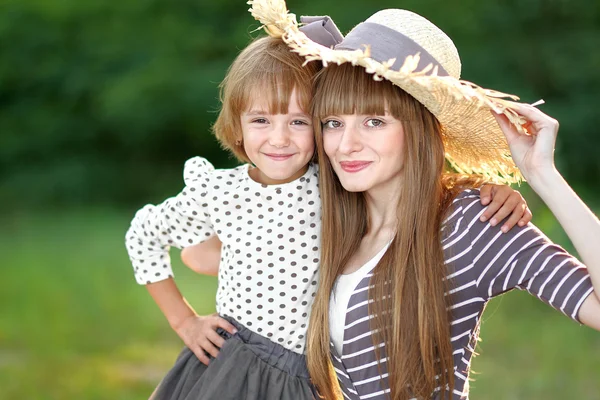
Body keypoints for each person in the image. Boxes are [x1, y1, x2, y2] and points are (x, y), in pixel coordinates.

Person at [126, 12, 533, 400]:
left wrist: (482, 188)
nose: (280, 138)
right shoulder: (218, 190)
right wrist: (184, 320)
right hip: (232, 366)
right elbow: (147, 235)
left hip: (305, 377)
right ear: (237, 124)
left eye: (299, 121)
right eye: (261, 121)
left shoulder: (337, 184)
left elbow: (407, 181)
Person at [247, 2, 600, 400]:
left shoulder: (471, 224)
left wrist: (543, 176)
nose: (346, 145)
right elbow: (208, 254)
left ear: (416, 129)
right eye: (333, 123)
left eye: (374, 121)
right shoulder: (333, 220)